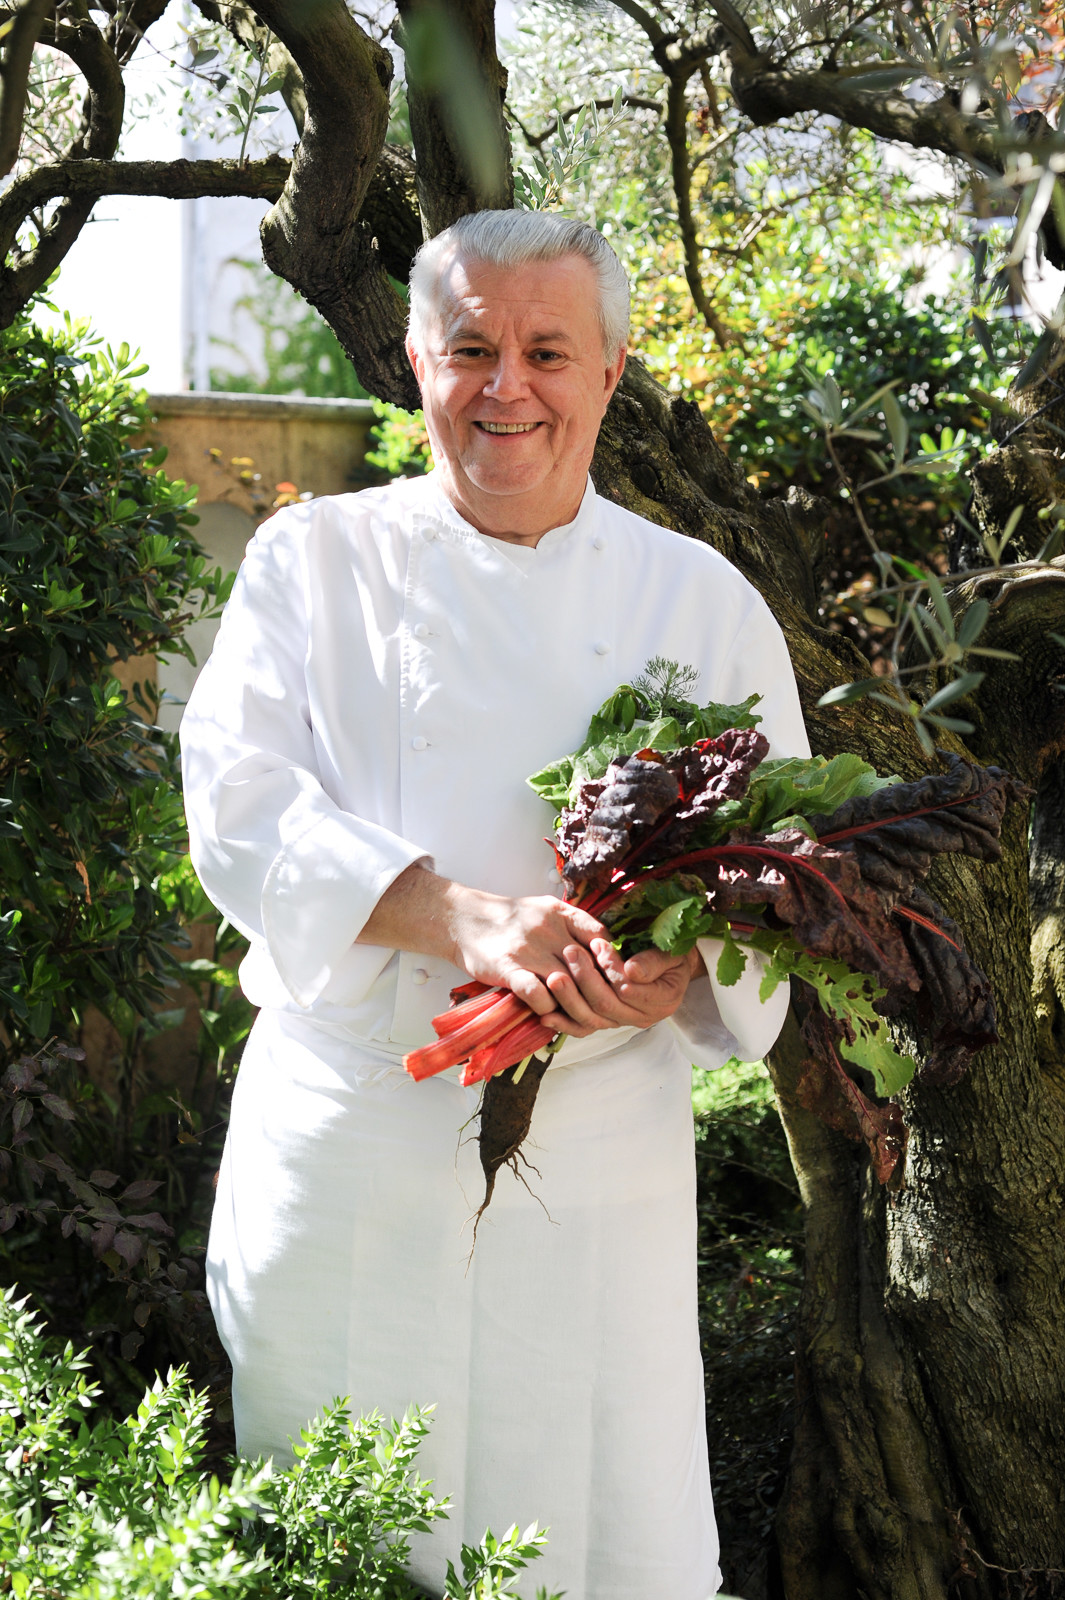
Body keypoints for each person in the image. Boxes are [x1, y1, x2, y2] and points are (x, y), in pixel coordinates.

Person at [181, 210, 809, 1600]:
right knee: (345, 1523)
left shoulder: (701, 602)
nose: (504, 385)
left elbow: (776, 873)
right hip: (355, 1126)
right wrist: (458, 917)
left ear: (611, 370)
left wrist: (678, 967)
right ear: (418, 361)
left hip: (597, 1147)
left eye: (547, 351)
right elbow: (237, 804)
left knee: (594, 1518)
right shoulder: (312, 561)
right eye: (470, 348)